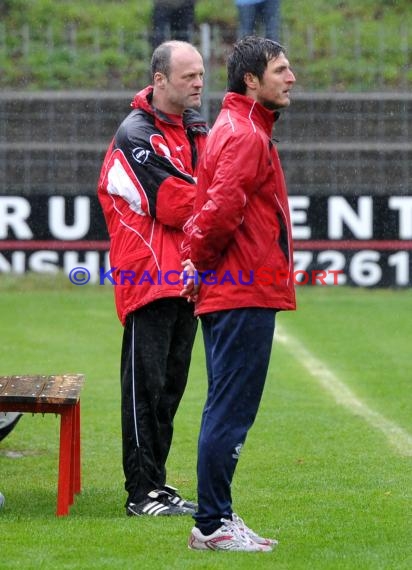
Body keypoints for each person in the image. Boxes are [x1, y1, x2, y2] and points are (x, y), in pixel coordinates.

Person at [181, 36, 296, 550]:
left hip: (235, 288)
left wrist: (196, 265)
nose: (291, 78)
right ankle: (212, 525)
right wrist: (198, 263)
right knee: (230, 409)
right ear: (251, 80)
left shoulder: (233, 126)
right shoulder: (247, 133)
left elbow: (209, 208)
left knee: (223, 406)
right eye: (281, 70)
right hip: (243, 289)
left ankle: (217, 518)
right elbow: (221, 211)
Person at [97, 40, 208, 517]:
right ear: (159, 80)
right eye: (188, 76)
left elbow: (205, 194)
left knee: (169, 391)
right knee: (144, 391)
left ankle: (157, 486)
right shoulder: (135, 134)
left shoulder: (194, 129)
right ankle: (140, 493)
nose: (199, 83)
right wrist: (220, 201)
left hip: (184, 277)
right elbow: (178, 204)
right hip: (148, 276)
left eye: (201, 74)